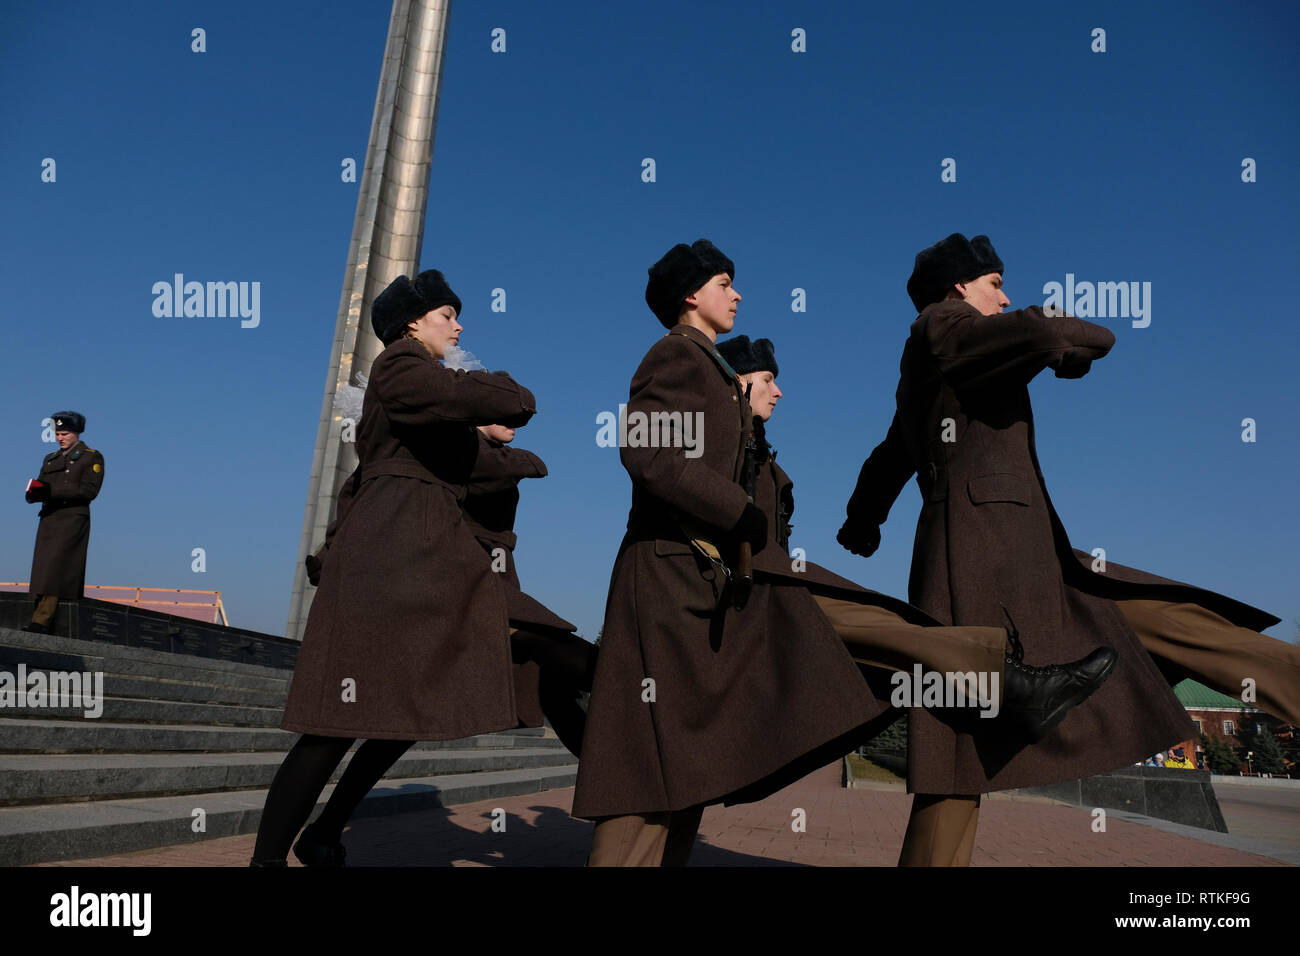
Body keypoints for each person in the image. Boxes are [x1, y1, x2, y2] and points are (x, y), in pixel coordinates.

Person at [571, 240, 1109, 868]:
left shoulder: (710, 366)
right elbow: (646, 452)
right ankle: (1005, 678)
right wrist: (737, 510)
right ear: (692, 295)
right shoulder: (675, 355)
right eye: (724, 282)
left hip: (703, 580)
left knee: (678, 762)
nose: (737, 293)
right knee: (650, 762)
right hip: (670, 580)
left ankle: (1003, 677)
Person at [836, 232, 1286, 865]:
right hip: (995, 559)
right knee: (1164, 627)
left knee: (962, 743)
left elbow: (892, 452)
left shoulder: (938, 358)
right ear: (960, 286)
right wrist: (1062, 345)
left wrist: (864, 517)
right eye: (996, 282)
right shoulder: (946, 323)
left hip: (990, 554)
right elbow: (1065, 335)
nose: (1006, 293)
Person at [250, 270, 536, 866]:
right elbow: (512, 400)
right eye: (447, 315)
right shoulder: (402, 367)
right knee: (332, 726)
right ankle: (267, 860)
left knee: (404, 709)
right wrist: (494, 387)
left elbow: (498, 454)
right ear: (412, 322)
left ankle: (323, 833)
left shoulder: (423, 397)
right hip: (389, 562)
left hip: (418, 561)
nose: (458, 326)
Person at [287, 422, 595, 866]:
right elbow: (360, 507)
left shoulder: (474, 453)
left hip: (482, 590)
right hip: (448, 594)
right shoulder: (453, 450)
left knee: (401, 730)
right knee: (570, 659)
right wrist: (333, 554)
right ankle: (624, 789)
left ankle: (324, 830)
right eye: (497, 410)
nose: (513, 419)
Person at [23, 411, 104, 634]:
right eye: (57, 433)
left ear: (76, 433)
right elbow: (43, 484)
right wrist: (34, 493)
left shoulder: (91, 457)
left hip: (71, 519)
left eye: (65, 433)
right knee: (42, 571)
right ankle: (40, 618)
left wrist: (51, 490)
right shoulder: (51, 458)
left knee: (56, 569)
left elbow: (89, 490)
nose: (60, 437)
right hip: (49, 519)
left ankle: (41, 621)